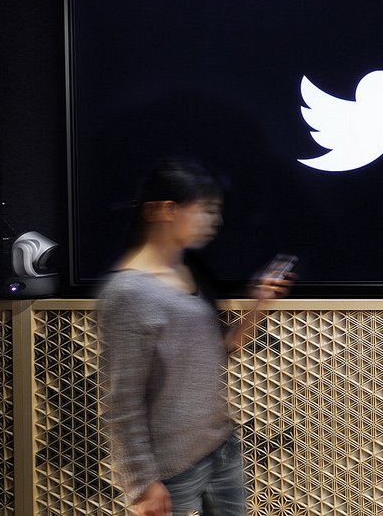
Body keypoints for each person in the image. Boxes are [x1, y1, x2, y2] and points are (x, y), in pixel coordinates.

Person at [97, 158, 288, 516]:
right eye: (203, 210)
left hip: (221, 446)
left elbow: (217, 349)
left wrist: (260, 303)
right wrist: (141, 482)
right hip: (172, 468)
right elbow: (120, 401)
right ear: (164, 210)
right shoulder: (127, 292)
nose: (213, 221)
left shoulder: (187, 273)